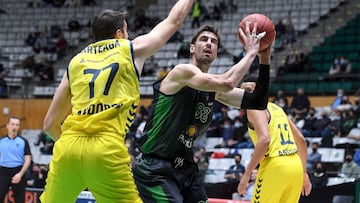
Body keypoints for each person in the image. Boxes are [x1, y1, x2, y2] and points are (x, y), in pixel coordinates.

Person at [39, 1, 196, 202]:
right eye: (126, 31)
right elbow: (174, 20)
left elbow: (49, 125)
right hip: (105, 147)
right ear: (119, 34)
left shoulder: (75, 62)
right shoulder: (129, 49)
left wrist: (76, 155)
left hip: (68, 146)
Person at [133, 21, 271, 202]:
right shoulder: (181, 72)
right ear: (192, 48)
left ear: (216, 52)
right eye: (204, 39)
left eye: (213, 42)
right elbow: (227, 82)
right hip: (156, 168)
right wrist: (251, 52)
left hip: (186, 169)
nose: (209, 43)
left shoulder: (213, 89)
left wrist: (264, 58)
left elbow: (257, 101)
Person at [236, 77, 312, 202]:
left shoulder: (253, 108)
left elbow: (265, 140)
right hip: (295, 165)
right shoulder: (276, 108)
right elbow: (301, 139)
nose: (246, 94)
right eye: (243, 91)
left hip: (274, 164)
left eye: (249, 90)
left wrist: (247, 174)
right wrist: (304, 172)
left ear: (260, 91)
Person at [0, 117, 32, 203]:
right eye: (12, 124)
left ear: (19, 127)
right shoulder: (1, 141)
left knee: (20, 199)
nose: (14, 127)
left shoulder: (23, 141)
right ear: (7, 126)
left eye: (17, 125)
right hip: (3, 171)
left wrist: (20, 174)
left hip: (18, 171)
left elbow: (28, 159)